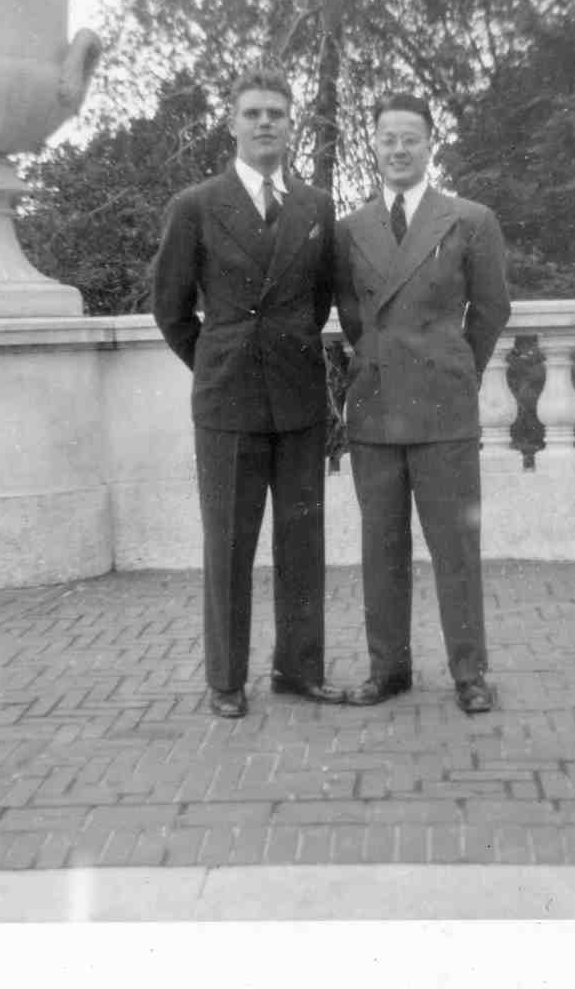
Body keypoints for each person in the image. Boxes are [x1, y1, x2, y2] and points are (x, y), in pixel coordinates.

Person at [152, 67, 345, 718]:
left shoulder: (315, 207)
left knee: (302, 541)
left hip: (297, 400)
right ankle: (226, 680)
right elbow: (171, 310)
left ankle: (299, 670)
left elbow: (318, 302)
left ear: (291, 125)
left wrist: (282, 352)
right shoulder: (196, 206)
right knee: (229, 546)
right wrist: (219, 361)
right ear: (232, 123)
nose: (265, 123)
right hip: (227, 402)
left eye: (276, 114)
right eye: (253, 113)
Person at [334, 92, 511, 713]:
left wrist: (454, 367)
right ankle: (388, 670)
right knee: (381, 548)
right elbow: (353, 315)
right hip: (376, 406)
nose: (400, 150)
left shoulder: (470, 220)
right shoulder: (350, 230)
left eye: (411, 138)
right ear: (374, 145)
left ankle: (469, 674)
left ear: (430, 144)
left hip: (443, 409)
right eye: (389, 139)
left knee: (455, 548)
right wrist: (381, 358)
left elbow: (491, 309)